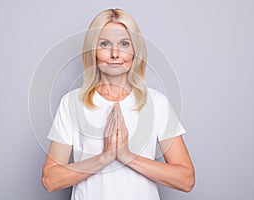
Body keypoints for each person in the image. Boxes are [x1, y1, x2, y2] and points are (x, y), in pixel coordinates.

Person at [42, 8, 195, 200]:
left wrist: (127, 156)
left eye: (124, 44)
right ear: (93, 51)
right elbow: (50, 180)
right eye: (105, 44)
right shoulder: (72, 103)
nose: (115, 54)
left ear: (134, 52)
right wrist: (104, 157)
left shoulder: (157, 103)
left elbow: (186, 179)